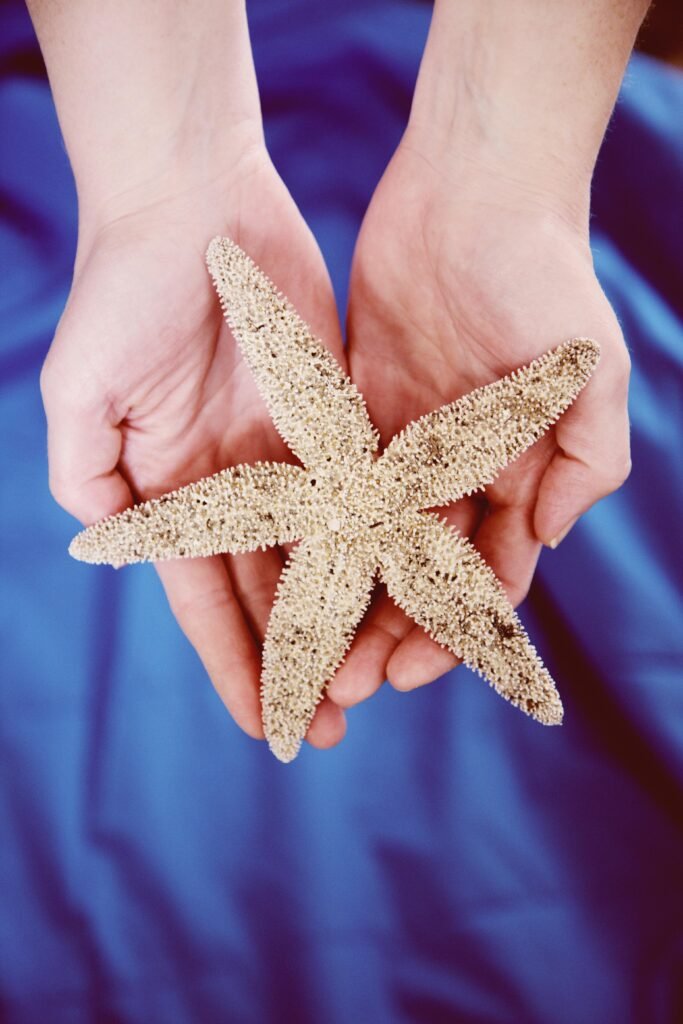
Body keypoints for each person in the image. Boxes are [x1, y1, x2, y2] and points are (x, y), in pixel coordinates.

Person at [27, 0, 645, 752]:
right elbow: (195, 507)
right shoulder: (383, 467)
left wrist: (513, 186)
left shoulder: (345, 466)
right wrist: (155, 197)